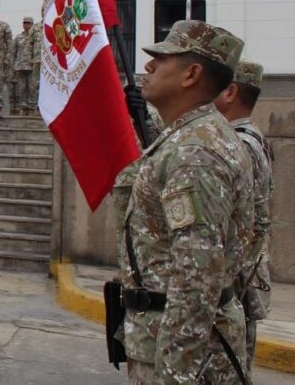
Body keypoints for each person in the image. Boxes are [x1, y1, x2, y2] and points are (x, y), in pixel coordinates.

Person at [116, 20, 254, 383]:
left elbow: (197, 279)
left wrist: (175, 375)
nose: (147, 67)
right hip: (171, 339)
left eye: (160, 60)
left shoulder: (195, 152)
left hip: (184, 353)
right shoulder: (187, 138)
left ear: (191, 74)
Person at [214, 59, 274, 369]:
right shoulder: (250, 137)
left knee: (232, 367)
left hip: (235, 284)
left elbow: (247, 223)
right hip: (240, 280)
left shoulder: (241, 144)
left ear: (230, 92)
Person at [9, 17, 35, 116]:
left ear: (32, 24)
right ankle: (24, 108)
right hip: (20, 67)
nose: (26, 25)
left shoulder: (35, 37)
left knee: (32, 88)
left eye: (28, 23)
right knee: (21, 89)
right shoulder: (18, 37)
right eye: (24, 23)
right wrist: (13, 67)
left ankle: (31, 108)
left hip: (32, 67)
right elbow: (13, 53)